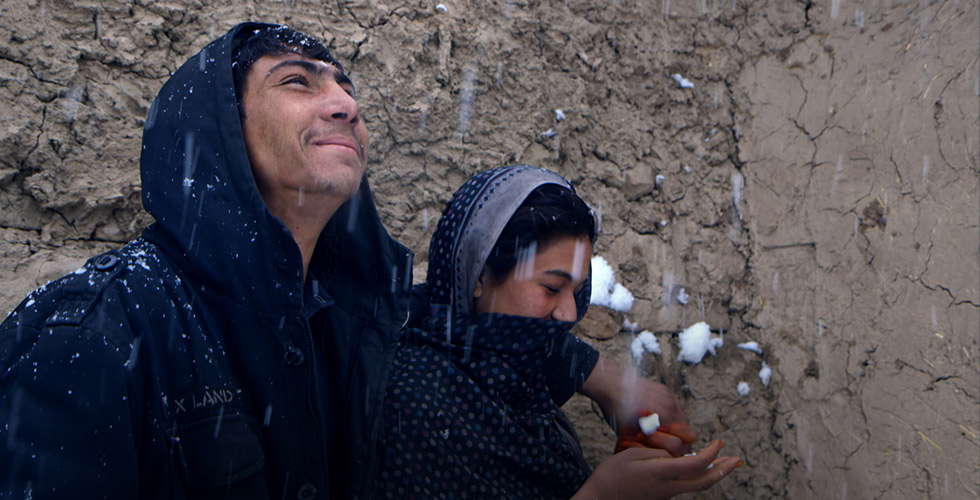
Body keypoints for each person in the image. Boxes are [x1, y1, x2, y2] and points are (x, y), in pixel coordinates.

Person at [0, 22, 414, 498]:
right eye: (297, 81)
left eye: (345, 86)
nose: (348, 105)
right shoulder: (95, 328)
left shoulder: (364, 329)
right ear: (221, 127)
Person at [379, 165, 742, 499]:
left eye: (578, 290)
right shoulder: (419, 406)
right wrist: (603, 494)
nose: (569, 313)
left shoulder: (514, 373)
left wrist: (604, 379)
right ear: (480, 277)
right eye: (552, 288)